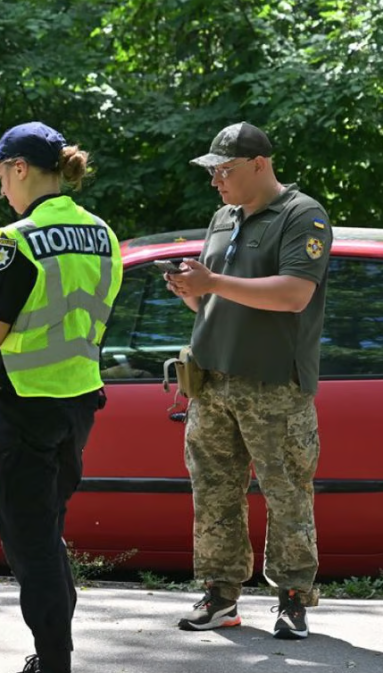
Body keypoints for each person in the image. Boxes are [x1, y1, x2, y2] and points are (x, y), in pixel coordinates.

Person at [0, 121, 121, 673]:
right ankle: (53, 652)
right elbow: (60, 304)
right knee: (47, 533)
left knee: (30, 546)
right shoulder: (103, 233)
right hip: (79, 401)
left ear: (20, 168)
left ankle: (54, 661)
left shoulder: (14, 240)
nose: (0, 188)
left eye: (0, 174)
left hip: (24, 408)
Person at [166, 122, 330, 640]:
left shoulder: (302, 214)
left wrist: (212, 281)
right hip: (212, 380)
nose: (217, 181)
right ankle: (220, 596)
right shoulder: (223, 217)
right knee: (214, 493)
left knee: (287, 495)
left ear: (260, 165)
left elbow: (293, 295)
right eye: (212, 172)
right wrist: (192, 290)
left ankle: (293, 600)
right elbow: (216, 299)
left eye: (225, 171)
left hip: (275, 385)